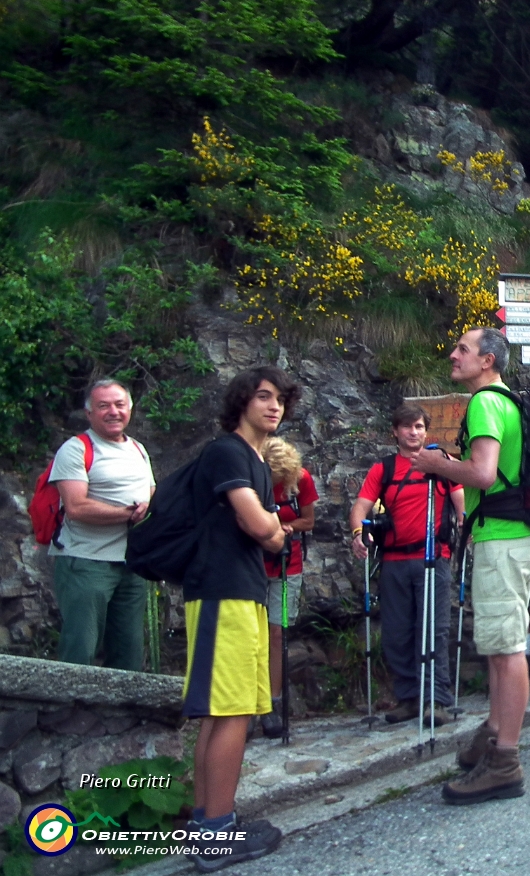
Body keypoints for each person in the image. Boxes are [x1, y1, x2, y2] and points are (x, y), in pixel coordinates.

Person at [411, 327, 530, 805]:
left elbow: (484, 474)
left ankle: (504, 761)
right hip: (514, 535)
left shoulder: (486, 403)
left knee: (506, 650)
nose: (453, 354)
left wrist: (437, 466)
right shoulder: (509, 402)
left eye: (463, 349)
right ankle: (493, 735)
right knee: (501, 646)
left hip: (503, 539)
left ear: (487, 360)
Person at [182, 366, 299, 869]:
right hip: (222, 591)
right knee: (229, 710)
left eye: (280, 400)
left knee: (224, 708)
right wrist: (273, 529)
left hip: (240, 591)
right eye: (264, 397)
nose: (274, 407)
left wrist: (272, 528)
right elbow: (263, 527)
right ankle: (215, 834)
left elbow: (270, 526)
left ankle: (206, 820)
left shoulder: (252, 459)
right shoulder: (229, 451)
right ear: (242, 401)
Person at [349, 404, 464, 724]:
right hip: (395, 561)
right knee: (397, 633)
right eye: (407, 427)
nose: (413, 432)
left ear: (426, 431)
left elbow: (461, 505)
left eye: (418, 427)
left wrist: (465, 533)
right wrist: (359, 533)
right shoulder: (382, 469)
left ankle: (436, 700)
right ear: (395, 432)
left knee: (434, 629)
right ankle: (410, 698)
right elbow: (361, 506)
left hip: (434, 557)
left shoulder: (442, 464)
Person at [49, 379, 155, 671]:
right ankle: (68, 711)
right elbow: (76, 507)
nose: (113, 412)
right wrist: (129, 513)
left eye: (120, 405)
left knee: (129, 649)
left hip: (130, 564)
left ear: (130, 409)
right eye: (103, 406)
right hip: (85, 561)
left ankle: (124, 715)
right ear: (89, 413)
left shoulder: (138, 449)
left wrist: (150, 510)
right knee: (81, 647)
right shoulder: (75, 450)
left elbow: (151, 495)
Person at [258, 437, 317, 739]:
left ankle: (273, 701)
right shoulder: (252, 478)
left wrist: (289, 527)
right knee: (251, 633)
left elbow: (309, 520)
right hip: (254, 563)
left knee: (277, 632)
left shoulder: (301, 479)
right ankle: (250, 701)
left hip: (287, 563)